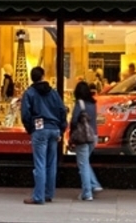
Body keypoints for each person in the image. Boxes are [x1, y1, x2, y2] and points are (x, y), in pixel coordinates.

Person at [20, 66, 68, 205]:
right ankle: (48, 194)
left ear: (31, 77)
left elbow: (25, 114)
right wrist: (61, 129)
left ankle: (38, 197)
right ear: (43, 76)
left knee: (40, 163)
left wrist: (31, 128)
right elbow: (62, 110)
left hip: (39, 129)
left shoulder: (29, 93)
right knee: (51, 163)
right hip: (54, 129)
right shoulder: (53, 93)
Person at [70, 81, 103, 201]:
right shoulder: (93, 104)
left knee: (83, 164)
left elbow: (74, 121)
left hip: (83, 137)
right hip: (93, 136)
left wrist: (70, 136)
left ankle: (87, 192)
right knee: (85, 163)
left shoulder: (80, 103)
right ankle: (94, 184)